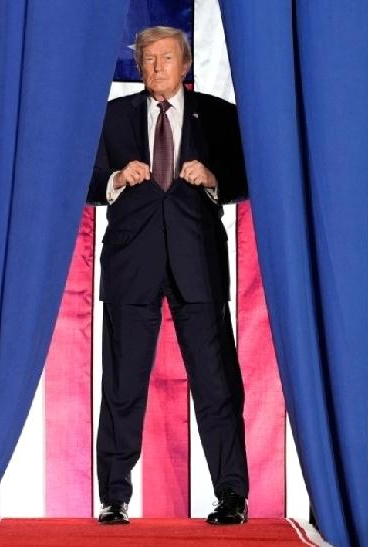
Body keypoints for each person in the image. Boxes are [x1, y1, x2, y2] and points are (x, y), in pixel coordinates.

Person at [87, 26, 249, 526]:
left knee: (217, 385)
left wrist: (214, 179)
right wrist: (116, 179)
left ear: (186, 65)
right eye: (149, 59)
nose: (157, 68)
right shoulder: (111, 116)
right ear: (139, 66)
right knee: (122, 386)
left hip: (197, 265)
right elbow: (84, 181)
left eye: (167, 58)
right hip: (131, 267)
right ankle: (114, 497)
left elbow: (248, 176)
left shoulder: (218, 116)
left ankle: (231, 495)